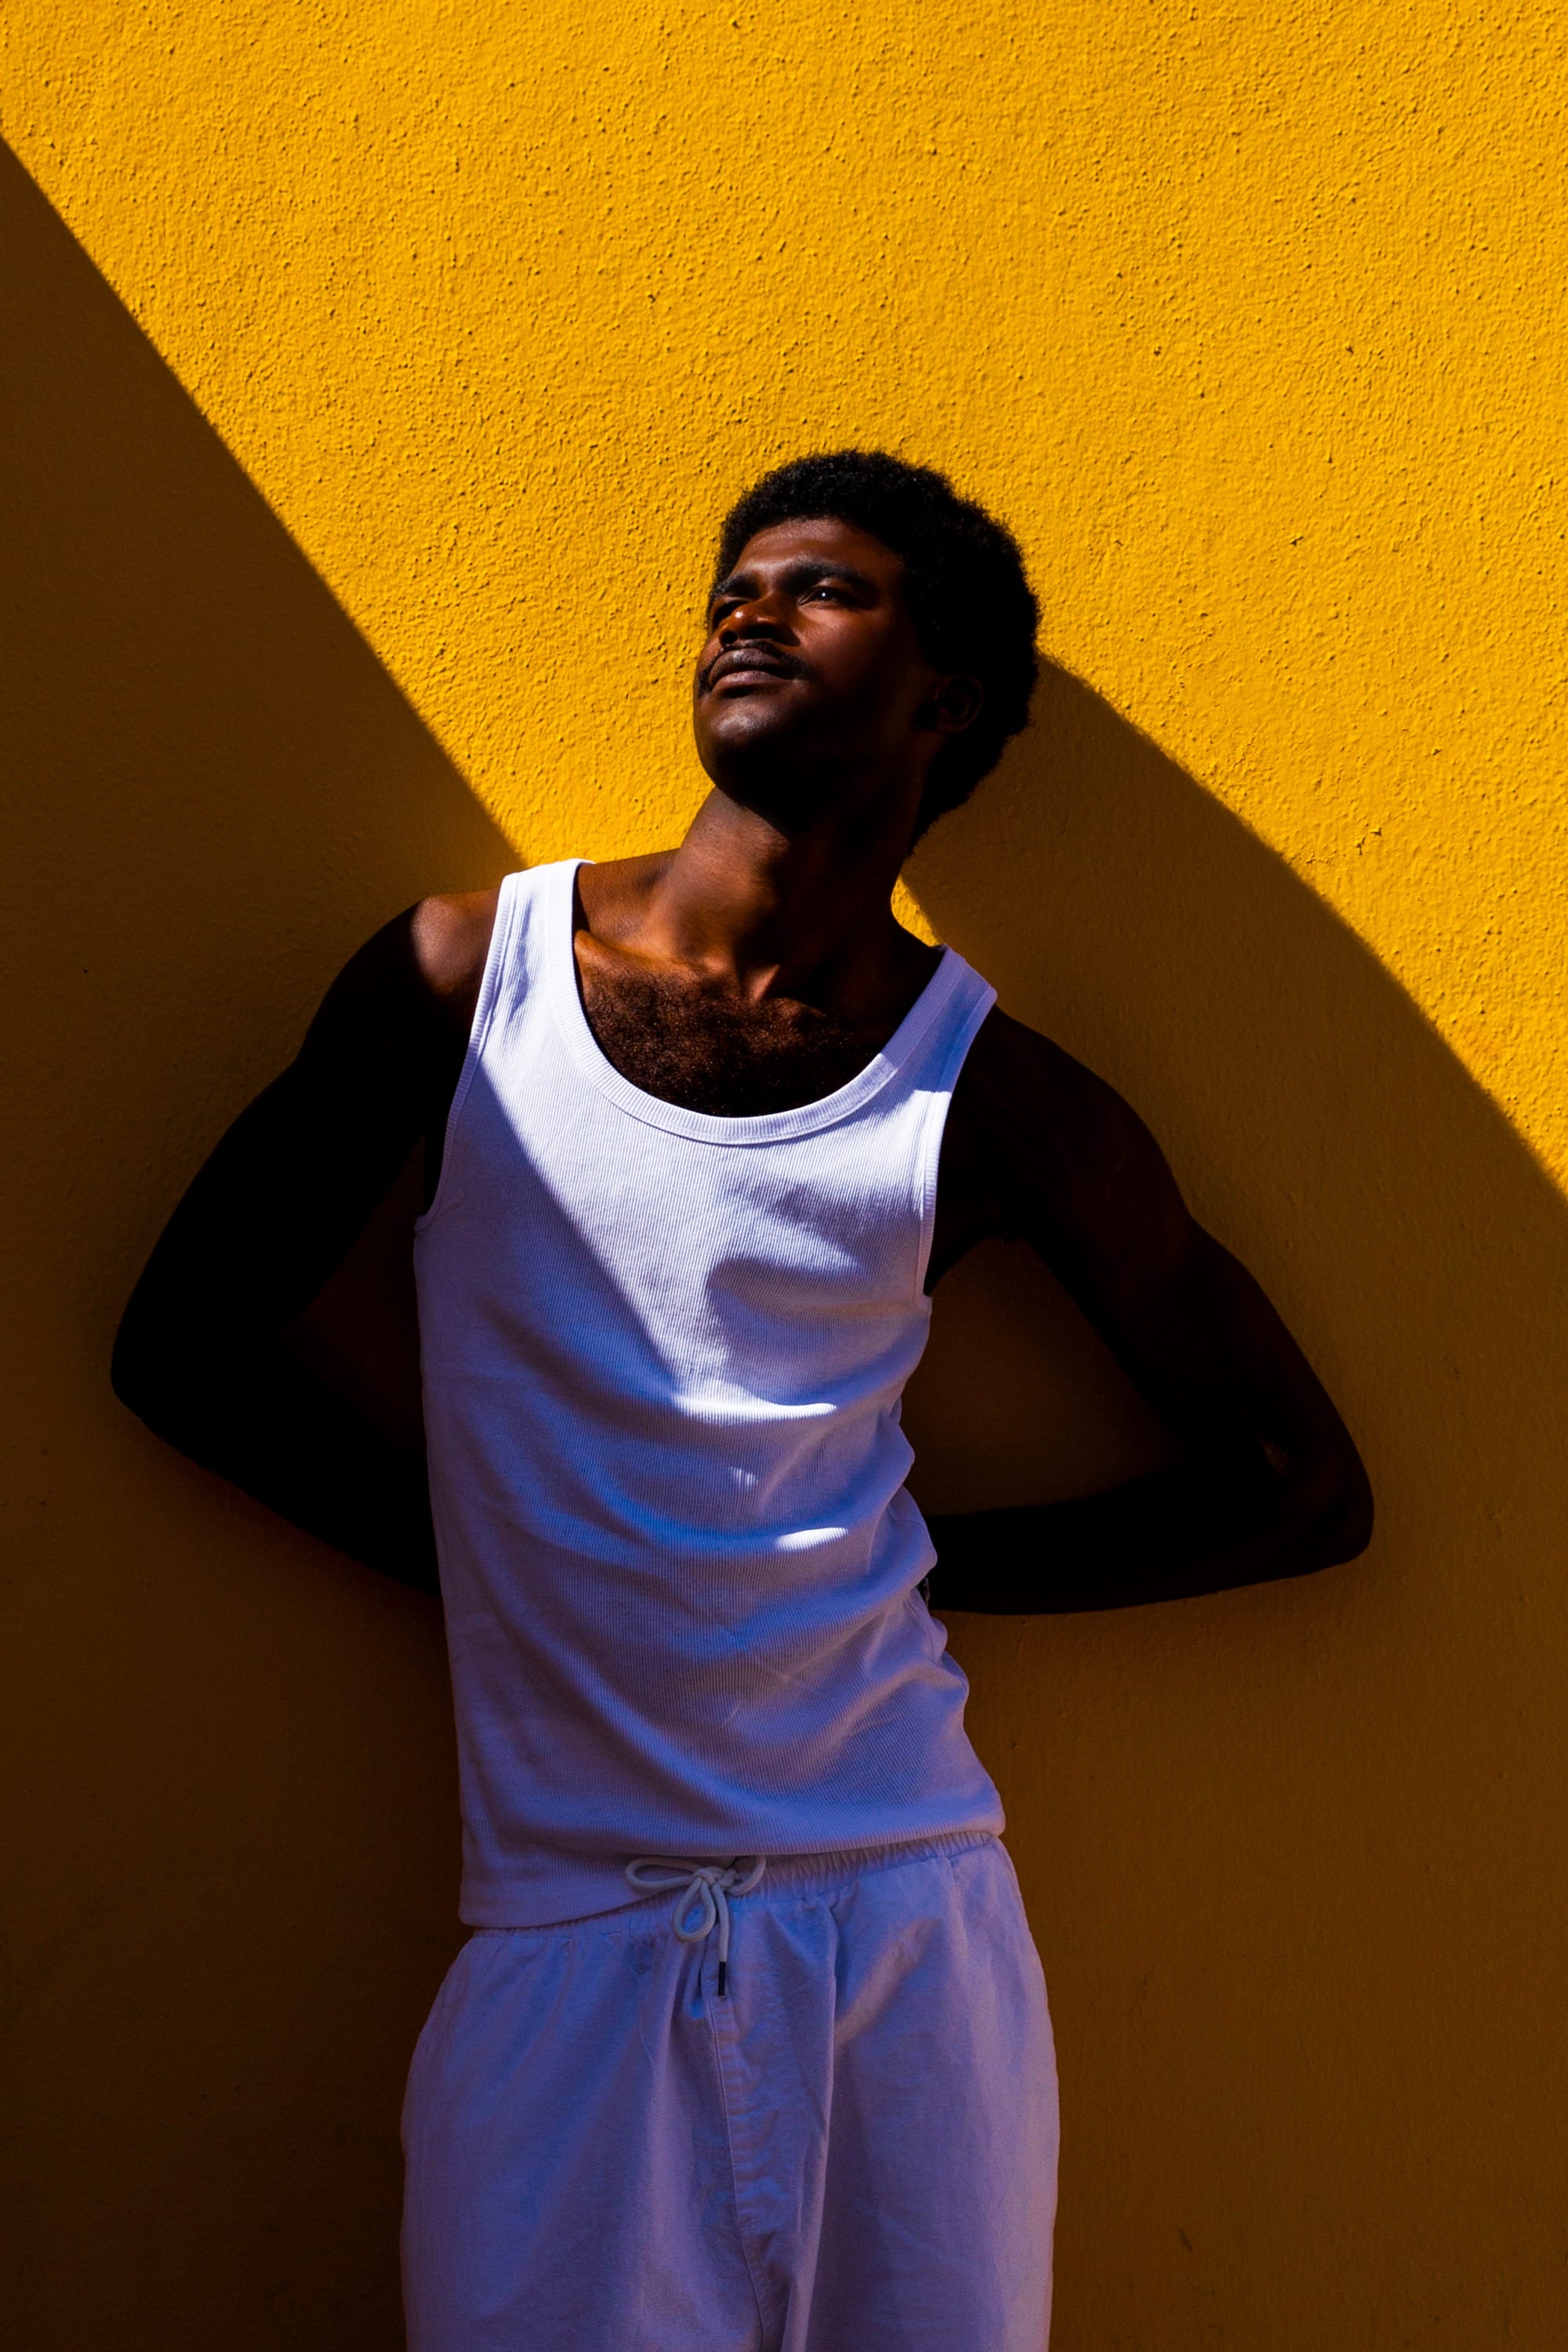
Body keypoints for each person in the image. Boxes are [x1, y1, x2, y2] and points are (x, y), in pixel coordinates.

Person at [113, 449, 1373, 2350]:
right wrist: (490, 1569)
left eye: (825, 587)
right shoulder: (465, 979)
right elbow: (183, 1350)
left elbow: (1296, 1485)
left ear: (943, 699)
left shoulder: (994, 1096)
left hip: (906, 1935)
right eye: (735, 584)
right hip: (570, 1935)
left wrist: (913, 1578)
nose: (749, 610)